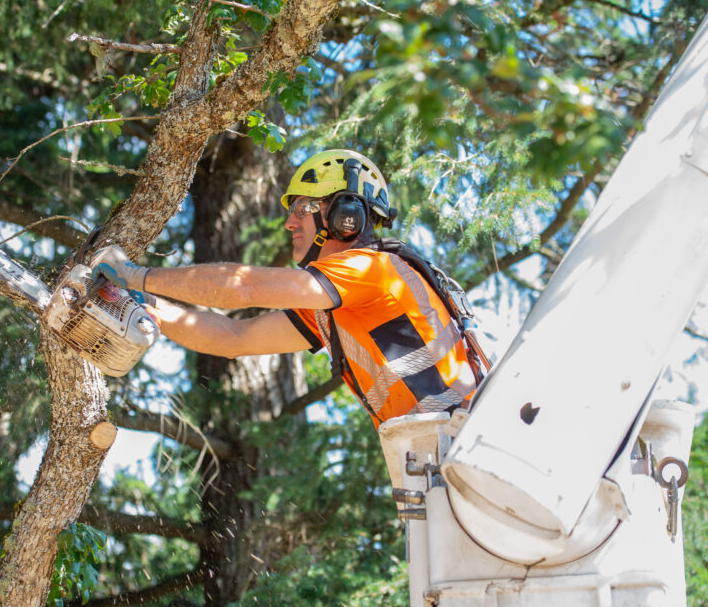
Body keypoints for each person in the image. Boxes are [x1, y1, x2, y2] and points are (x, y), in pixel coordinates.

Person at [98, 149, 479, 429]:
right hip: (434, 453)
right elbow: (235, 337)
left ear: (345, 216)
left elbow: (243, 287)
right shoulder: (333, 307)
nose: (289, 223)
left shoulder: (370, 269)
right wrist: (148, 305)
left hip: (463, 442)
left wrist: (135, 274)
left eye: (301, 209)